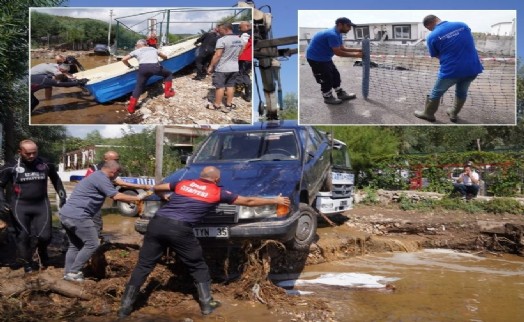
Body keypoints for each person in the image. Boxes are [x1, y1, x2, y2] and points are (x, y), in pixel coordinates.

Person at [118, 166, 290, 318]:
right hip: (180, 229)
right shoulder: (217, 192)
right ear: (217, 179)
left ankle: (124, 308)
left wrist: (165, 197)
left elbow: (156, 187)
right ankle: (207, 305)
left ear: (200, 176)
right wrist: (275, 200)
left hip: (157, 223)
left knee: (144, 266)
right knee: (197, 265)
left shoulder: (183, 184)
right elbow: (248, 201)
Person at [59, 160, 148, 282]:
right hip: (79, 216)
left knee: (75, 245)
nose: (118, 177)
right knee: (92, 243)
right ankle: (74, 272)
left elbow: (120, 186)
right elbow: (116, 196)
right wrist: (137, 198)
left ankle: (68, 273)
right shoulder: (101, 179)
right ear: (113, 171)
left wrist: (141, 189)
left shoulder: (97, 175)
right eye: (118, 174)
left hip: (66, 214)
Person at [0, 140, 67, 273]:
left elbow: (56, 180)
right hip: (20, 206)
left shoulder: (45, 164)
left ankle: (42, 253)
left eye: (34, 153)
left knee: (45, 236)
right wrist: (1, 201)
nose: (31, 156)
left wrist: (62, 197)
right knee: (23, 236)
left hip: (41, 205)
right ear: (20, 152)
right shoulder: (10, 167)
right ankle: (27, 263)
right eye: (28, 154)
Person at [414, 15, 484, 123]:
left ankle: (428, 114)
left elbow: (436, 55)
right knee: (462, 91)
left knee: (436, 92)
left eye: (429, 28)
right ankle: (453, 113)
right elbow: (466, 42)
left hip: (452, 70)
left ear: (429, 25)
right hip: (472, 67)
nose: (430, 30)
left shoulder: (432, 36)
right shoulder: (462, 25)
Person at [85, 150, 152, 234]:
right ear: (106, 160)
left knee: (96, 223)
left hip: (96, 202)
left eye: (118, 159)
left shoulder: (110, 169)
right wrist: (138, 196)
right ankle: (94, 243)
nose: (117, 162)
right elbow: (118, 189)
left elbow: (121, 183)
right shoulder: (95, 169)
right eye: (115, 160)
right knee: (95, 224)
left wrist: (143, 186)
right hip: (89, 202)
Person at [305, 17, 363, 105]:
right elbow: (338, 52)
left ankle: (340, 93)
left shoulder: (338, 34)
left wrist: (357, 50)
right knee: (326, 78)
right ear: (340, 25)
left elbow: (342, 48)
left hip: (325, 58)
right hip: (316, 58)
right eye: (348, 26)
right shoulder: (332, 34)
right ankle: (327, 97)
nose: (350, 28)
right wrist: (356, 55)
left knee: (335, 75)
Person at [121, 39, 175, 114]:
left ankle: (131, 108)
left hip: (143, 69)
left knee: (139, 87)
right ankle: (168, 93)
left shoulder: (136, 51)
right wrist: (164, 58)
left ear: (138, 46)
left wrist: (129, 66)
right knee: (168, 74)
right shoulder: (153, 49)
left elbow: (123, 59)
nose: (136, 47)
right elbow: (164, 56)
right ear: (146, 44)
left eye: (136, 45)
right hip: (155, 67)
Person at [207, 23, 245, 112]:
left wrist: (211, 66)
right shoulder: (240, 39)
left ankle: (216, 105)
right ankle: (228, 104)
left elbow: (218, 54)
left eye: (220, 30)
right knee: (230, 86)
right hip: (234, 67)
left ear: (225, 29)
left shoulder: (222, 40)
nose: (218, 31)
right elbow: (240, 52)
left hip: (222, 68)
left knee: (220, 87)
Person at [237, 21, 253, 102]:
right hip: (249, 58)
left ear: (247, 26)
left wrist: (237, 55)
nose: (239, 29)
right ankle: (248, 94)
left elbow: (242, 45)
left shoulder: (245, 34)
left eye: (240, 27)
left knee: (241, 74)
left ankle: (239, 90)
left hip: (243, 57)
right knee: (245, 74)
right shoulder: (252, 33)